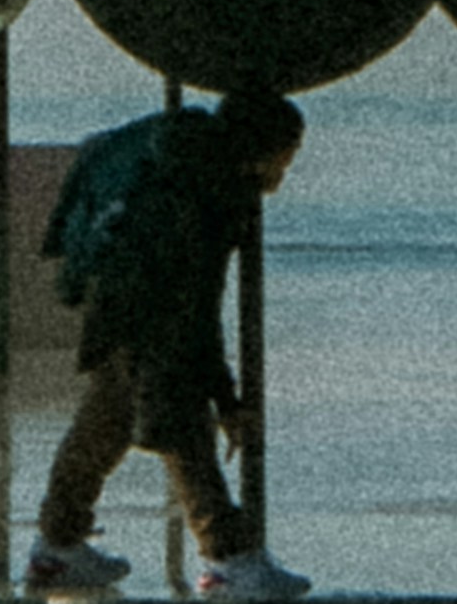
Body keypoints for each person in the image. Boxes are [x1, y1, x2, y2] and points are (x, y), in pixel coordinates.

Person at [25, 85, 305, 602]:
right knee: (182, 431)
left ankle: (56, 548)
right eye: (287, 155)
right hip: (149, 317)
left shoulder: (180, 162)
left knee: (104, 426)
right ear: (259, 147)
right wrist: (225, 398)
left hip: (114, 306)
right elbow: (195, 303)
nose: (287, 169)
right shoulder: (206, 192)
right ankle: (228, 560)